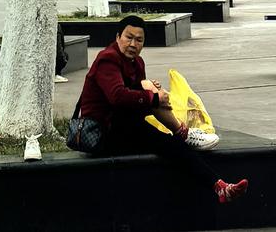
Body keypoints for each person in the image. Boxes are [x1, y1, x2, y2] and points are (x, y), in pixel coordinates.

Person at [75, 16, 248, 207]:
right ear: (118, 37)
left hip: (125, 124)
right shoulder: (107, 60)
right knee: (168, 141)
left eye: (139, 40)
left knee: (160, 110)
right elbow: (117, 96)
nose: (133, 44)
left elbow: (136, 96)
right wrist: (153, 97)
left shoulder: (137, 62)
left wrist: (152, 91)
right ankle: (217, 183)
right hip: (102, 133)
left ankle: (189, 143)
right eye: (128, 37)